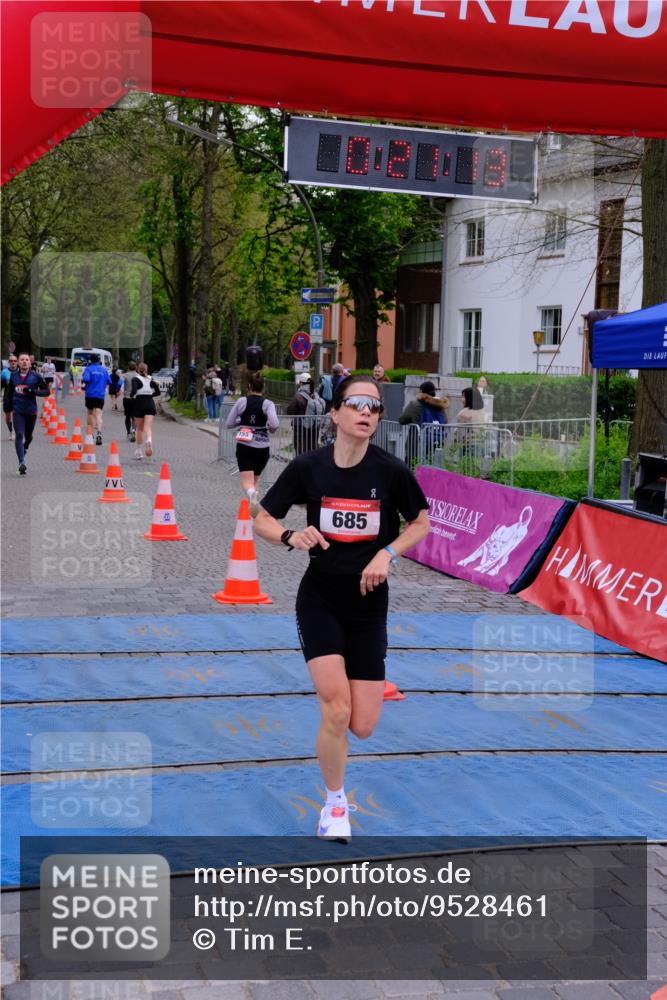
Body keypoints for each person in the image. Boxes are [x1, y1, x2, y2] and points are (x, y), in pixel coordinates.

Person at [254, 375, 430, 842]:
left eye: (373, 406)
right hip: (321, 599)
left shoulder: (391, 471)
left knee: (364, 724)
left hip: (369, 606)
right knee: (335, 709)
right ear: (335, 414)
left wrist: (386, 553)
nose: (366, 412)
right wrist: (292, 536)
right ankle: (334, 805)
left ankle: (340, 764)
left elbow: (421, 522)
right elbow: (263, 520)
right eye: (355, 403)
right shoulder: (308, 468)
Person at [225, 372, 279, 514]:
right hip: (263, 447)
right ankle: (253, 509)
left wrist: (241, 422)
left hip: (245, 446)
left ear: (249, 386)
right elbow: (274, 424)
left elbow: (229, 423)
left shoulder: (242, 401)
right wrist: (268, 428)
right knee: (255, 480)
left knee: (246, 482)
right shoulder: (268, 404)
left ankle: (252, 497)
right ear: (264, 387)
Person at [5, 352, 49, 475]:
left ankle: (25, 448)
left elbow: (47, 391)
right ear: (18, 362)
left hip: (31, 411)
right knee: (19, 434)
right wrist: (8, 407)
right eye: (22, 360)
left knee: (28, 437)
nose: (24, 361)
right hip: (18, 411)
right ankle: (21, 463)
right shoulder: (13, 377)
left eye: (26, 360)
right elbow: (9, 393)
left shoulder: (36, 376)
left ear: (30, 363)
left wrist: (34, 391)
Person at [399, 381, 449, 465]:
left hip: (416, 444)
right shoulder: (440, 407)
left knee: (412, 467)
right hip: (436, 444)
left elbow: (402, 420)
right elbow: (445, 421)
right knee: (432, 468)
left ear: (421, 391)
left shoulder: (415, 404)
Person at [286, 373, 325, 455]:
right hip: (314, 427)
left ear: (301, 383)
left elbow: (290, 411)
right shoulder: (316, 395)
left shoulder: (298, 396)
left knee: (301, 450)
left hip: (300, 428)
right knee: (312, 449)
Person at [129, 362, 161, 460]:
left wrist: (131, 396)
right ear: (147, 370)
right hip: (150, 404)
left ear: (138, 370)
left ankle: (139, 451)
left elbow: (134, 391)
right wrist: (150, 395)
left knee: (139, 429)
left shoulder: (135, 379)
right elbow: (158, 392)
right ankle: (149, 440)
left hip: (139, 403)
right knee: (148, 427)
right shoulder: (151, 379)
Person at [82, 354, 111, 445]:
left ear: (90, 361)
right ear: (98, 361)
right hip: (100, 395)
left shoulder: (89, 369)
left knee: (90, 413)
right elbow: (109, 381)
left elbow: (86, 379)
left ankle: (90, 434)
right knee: (98, 414)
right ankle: (99, 432)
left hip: (90, 394)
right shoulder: (104, 370)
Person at [2, 355, 18, 439]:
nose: (13, 362)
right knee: (8, 418)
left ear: (17, 362)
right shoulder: (4, 372)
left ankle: (15, 432)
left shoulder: (20, 372)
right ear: (9, 362)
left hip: (18, 398)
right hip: (7, 397)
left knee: (15, 415)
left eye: (15, 361)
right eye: (11, 361)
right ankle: (10, 431)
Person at [121, 362, 137, 441]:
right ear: (136, 368)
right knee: (134, 416)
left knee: (127, 416)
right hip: (136, 399)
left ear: (128, 368)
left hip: (127, 398)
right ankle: (133, 431)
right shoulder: (138, 376)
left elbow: (119, 384)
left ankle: (128, 433)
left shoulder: (125, 375)